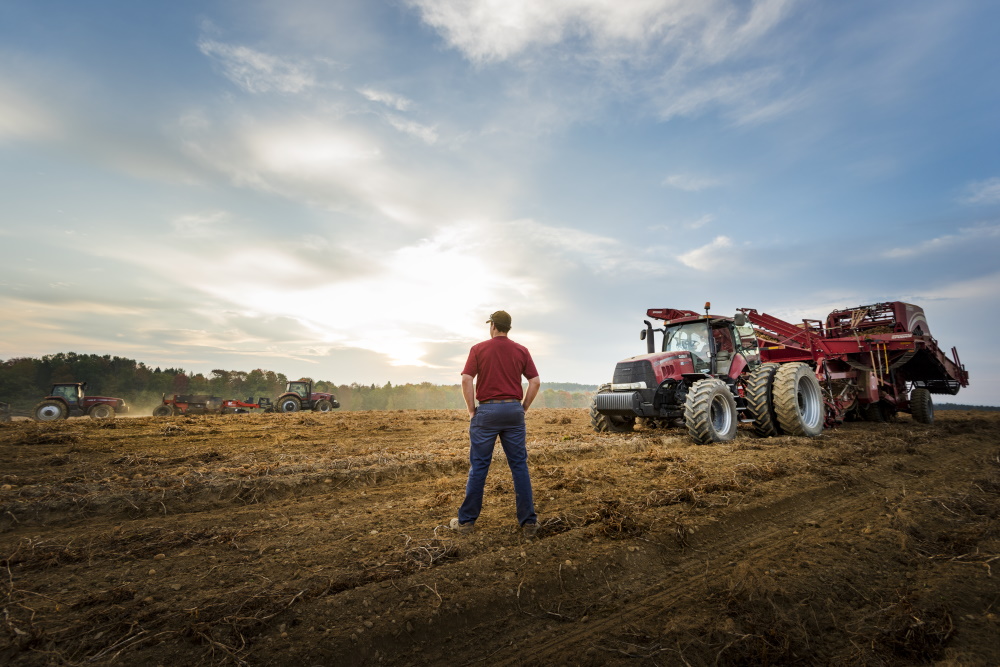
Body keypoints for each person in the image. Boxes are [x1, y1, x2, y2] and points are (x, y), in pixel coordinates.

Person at [451, 310, 540, 538]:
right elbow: (535, 381)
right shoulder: (521, 350)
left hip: (487, 411)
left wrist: (472, 409)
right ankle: (529, 523)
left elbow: (466, 378)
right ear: (508, 327)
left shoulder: (478, 349)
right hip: (513, 410)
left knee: (479, 466)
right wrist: (523, 407)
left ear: (492, 326)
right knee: (519, 466)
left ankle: (466, 523)